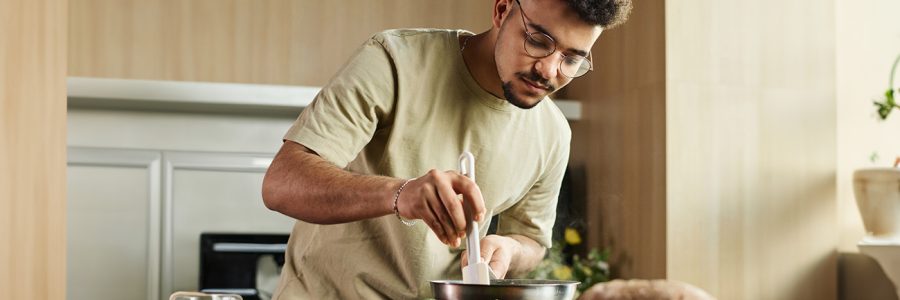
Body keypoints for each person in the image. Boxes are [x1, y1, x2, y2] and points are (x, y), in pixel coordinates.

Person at [261, 0, 631, 298]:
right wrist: (401, 194)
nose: (549, 71)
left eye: (572, 59)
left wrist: (508, 249)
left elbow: (531, 241)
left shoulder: (552, 133)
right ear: (502, 10)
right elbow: (281, 183)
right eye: (538, 41)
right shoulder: (395, 60)